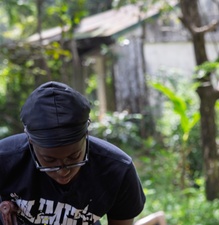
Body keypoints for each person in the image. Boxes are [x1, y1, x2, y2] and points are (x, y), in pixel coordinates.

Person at [0, 81, 146, 225]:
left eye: (74, 157)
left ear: (86, 136)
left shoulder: (117, 170)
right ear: (30, 141)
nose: (63, 172)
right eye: (49, 160)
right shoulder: (5, 160)